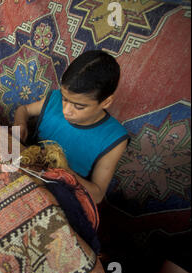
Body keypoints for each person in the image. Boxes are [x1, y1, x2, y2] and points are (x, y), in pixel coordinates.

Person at [13, 50, 129, 204]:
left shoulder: (113, 138)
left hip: (61, 194)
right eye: (65, 99)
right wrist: (20, 124)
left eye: (79, 106)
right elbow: (24, 109)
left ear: (106, 102)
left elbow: (97, 195)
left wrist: (65, 172)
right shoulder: (54, 99)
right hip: (26, 171)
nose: (66, 110)